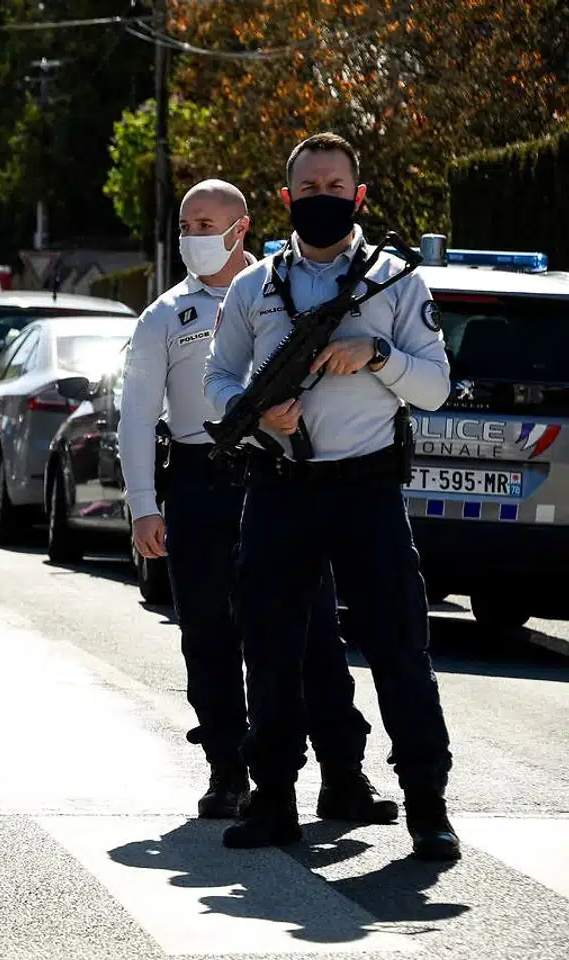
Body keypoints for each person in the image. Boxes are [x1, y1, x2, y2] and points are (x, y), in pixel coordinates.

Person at [205, 134, 458, 860]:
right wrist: (260, 415)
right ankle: (273, 800)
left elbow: (436, 388)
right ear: (287, 199)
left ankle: (427, 805)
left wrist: (377, 355)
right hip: (280, 490)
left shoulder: (395, 283)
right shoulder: (254, 287)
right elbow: (218, 384)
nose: (323, 197)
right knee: (271, 648)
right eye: (309, 188)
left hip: (366, 490)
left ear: (359, 195)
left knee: (400, 647)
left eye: (336, 186)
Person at [121, 179, 393, 825]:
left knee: (313, 632)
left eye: (205, 224)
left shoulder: (282, 293)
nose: (192, 237)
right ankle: (227, 772)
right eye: (185, 226)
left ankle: (342, 774)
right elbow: (136, 415)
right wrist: (143, 505)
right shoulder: (163, 316)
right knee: (209, 633)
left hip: (282, 476)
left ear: (240, 227)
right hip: (200, 480)